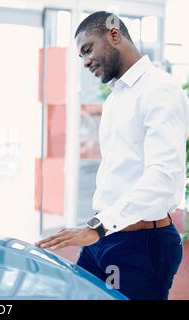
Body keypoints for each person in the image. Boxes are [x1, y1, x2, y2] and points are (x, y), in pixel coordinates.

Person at [36, 11, 188, 300]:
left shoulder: (160, 90)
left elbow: (163, 176)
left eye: (87, 49)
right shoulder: (116, 98)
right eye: (81, 56)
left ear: (114, 34)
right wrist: (100, 227)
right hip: (106, 234)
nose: (85, 62)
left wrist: (99, 227)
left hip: (139, 244)